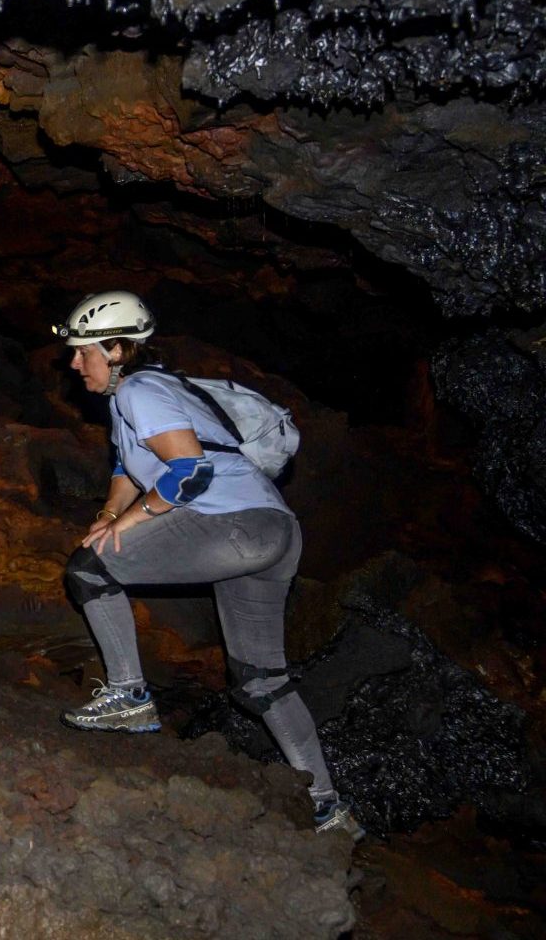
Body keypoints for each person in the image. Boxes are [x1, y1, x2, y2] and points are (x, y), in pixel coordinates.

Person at [53, 290, 361, 836]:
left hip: (234, 525)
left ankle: (129, 696)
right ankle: (327, 806)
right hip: (276, 530)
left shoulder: (140, 392)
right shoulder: (155, 391)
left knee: (89, 569)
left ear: (117, 350)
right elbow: (129, 468)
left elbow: (189, 472)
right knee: (260, 679)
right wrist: (109, 512)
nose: (75, 363)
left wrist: (129, 523)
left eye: (83, 352)